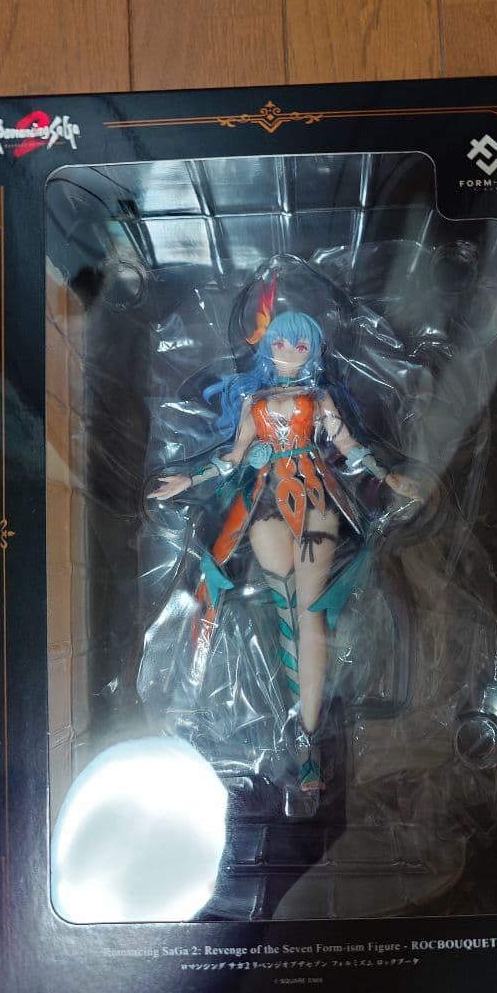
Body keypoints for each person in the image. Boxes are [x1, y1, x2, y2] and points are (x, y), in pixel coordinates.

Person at [149, 290, 420, 792]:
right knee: (286, 609)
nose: (290, 352)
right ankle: (302, 738)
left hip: (315, 500)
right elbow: (231, 458)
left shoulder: (319, 399)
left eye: (300, 345)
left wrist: (388, 476)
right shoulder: (252, 403)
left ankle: (309, 740)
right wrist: (187, 479)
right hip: (266, 505)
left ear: (312, 351)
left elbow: (348, 445)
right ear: (267, 346)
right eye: (281, 343)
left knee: (310, 612)